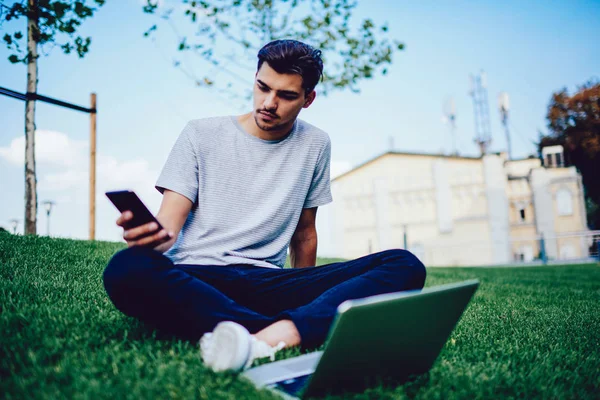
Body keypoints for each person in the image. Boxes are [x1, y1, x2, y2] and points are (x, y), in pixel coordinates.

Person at [103, 39, 426, 372]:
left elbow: (304, 235)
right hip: (198, 277)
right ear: (255, 79)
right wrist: (149, 238)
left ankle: (273, 332)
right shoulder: (200, 133)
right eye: (262, 88)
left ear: (308, 99)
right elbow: (169, 223)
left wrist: (307, 295)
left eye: (286, 96)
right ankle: (280, 330)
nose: (269, 103)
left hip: (268, 282)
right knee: (126, 268)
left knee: (404, 264)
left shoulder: (316, 144)